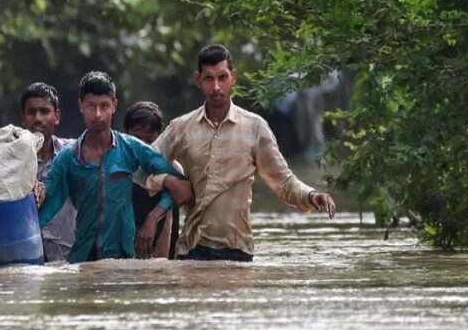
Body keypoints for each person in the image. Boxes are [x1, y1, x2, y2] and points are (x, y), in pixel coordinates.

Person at [142, 44, 336, 261]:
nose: (216, 87)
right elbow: (141, 167)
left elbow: (284, 182)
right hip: (192, 250)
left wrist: (311, 195)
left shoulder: (255, 128)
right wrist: (169, 181)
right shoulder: (181, 128)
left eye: (222, 77)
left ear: (233, 77)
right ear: (198, 80)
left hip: (238, 252)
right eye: (209, 79)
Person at [36, 71, 189, 263]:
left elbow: (180, 184)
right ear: (81, 106)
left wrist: (153, 218)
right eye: (91, 106)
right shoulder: (69, 158)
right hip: (84, 258)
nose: (98, 115)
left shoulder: (131, 148)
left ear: (114, 106)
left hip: (124, 259)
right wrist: (36, 192)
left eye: (104, 106)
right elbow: (45, 201)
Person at [20, 82, 77, 262]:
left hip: (69, 261)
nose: (38, 118)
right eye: (31, 112)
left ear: (57, 116)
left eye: (45, 111)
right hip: (25, 260)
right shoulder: (11, 161)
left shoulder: (75, 153)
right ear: (23, 118)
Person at [123, 101, 180, 259]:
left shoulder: (172, 168)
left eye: (149, 140)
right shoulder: (119, 168)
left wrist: (160, 264)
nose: (142, 146)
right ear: (125, 135)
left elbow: (169, 225)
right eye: (136, 139)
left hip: (161, 251)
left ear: (160, 138)